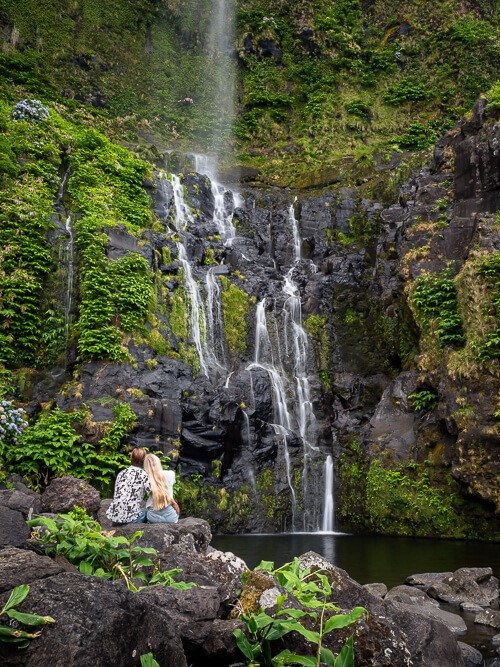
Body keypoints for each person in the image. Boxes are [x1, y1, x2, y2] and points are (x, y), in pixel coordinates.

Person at [106, 447, 151, 525]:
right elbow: (152, 493)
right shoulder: (144, 475)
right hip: (132, 519)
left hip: (115, 517)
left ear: (131, 458)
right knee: (148, 512)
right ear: (144, 460)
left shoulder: (121, 473)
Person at [143, 453, 180, 523]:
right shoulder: (171, 474)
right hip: (171, 517)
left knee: (144, 512)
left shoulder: (145, 479)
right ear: (158, 463)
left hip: (152, 517)